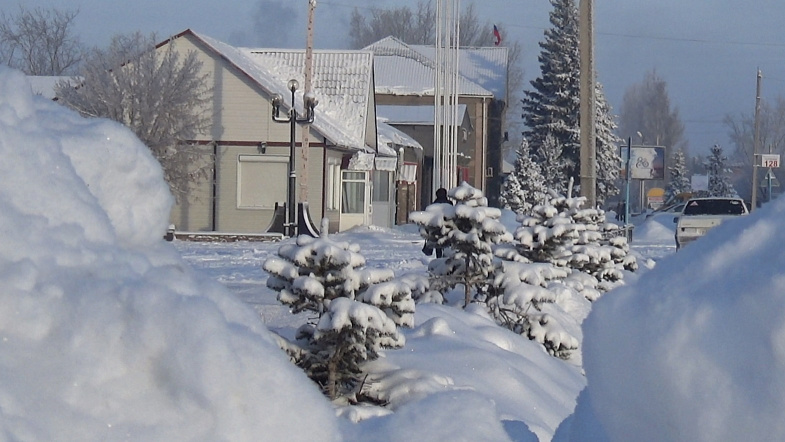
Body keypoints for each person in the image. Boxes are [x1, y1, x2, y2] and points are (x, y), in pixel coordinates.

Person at [422, 188, 453, 258]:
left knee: (438, 247)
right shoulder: (449, 204)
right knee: (447, 245)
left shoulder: (433, 205)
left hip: (437, 229)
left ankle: (438, 259)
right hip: (447, 228)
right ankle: (446, 259)